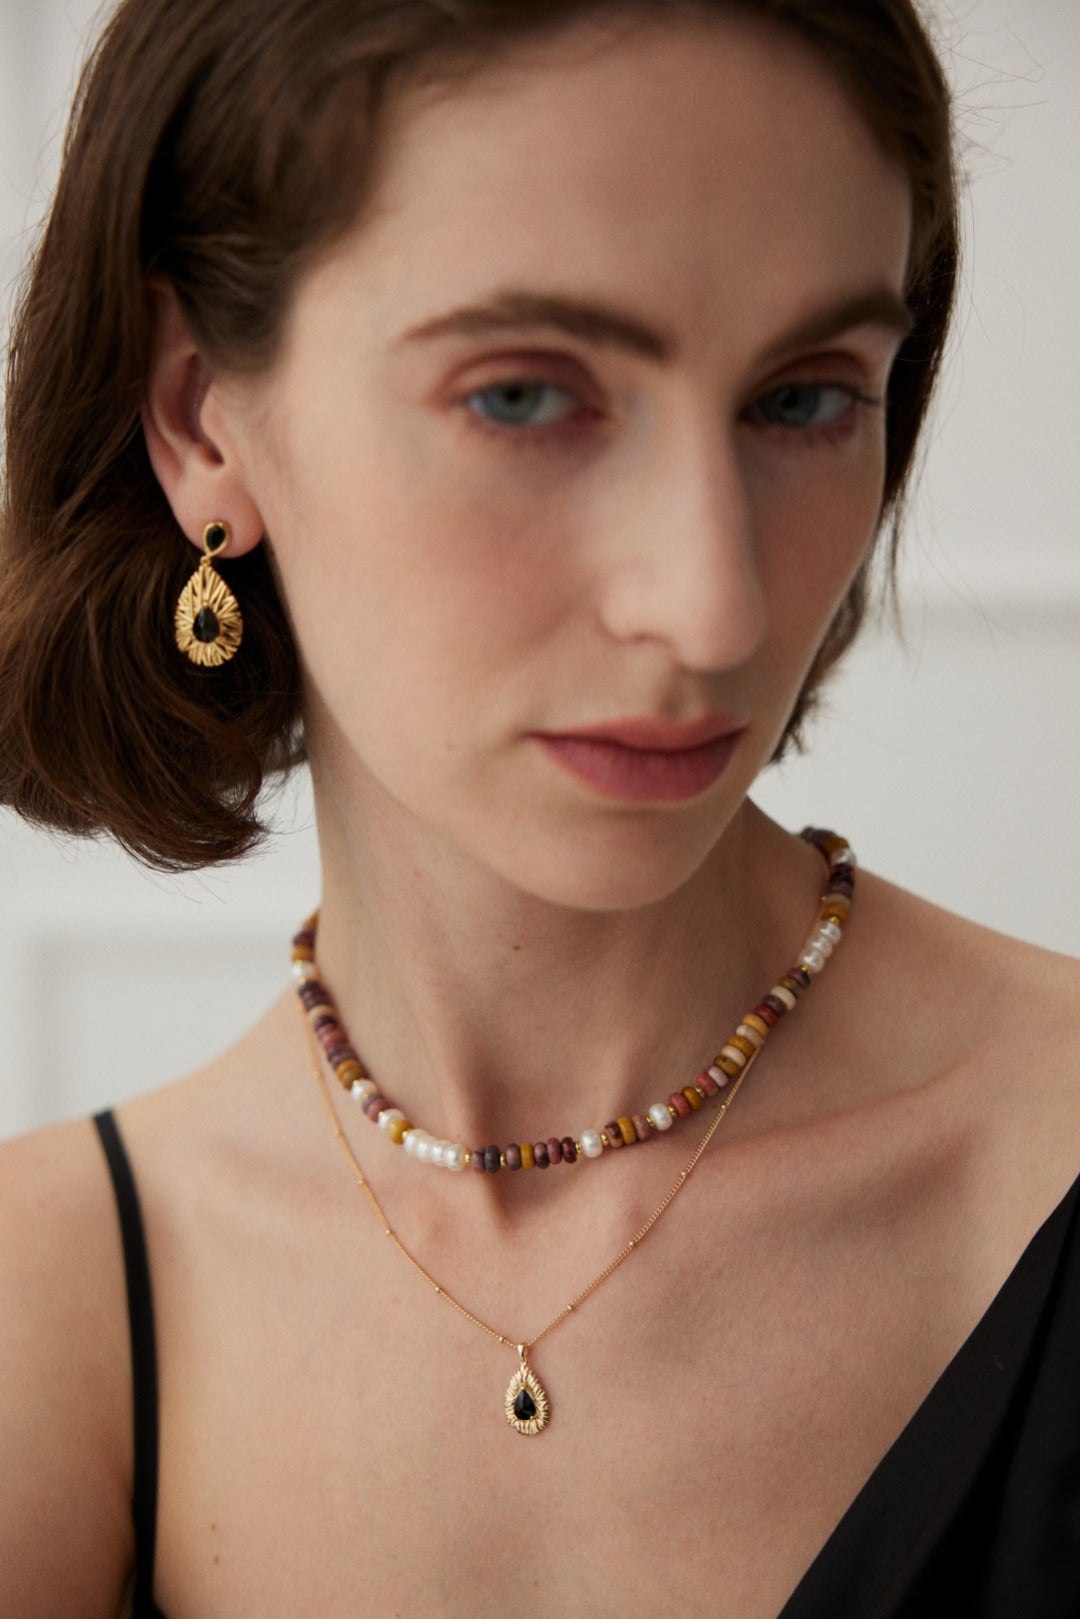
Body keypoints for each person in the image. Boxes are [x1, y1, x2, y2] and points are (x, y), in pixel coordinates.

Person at [1, 0, 1078, 1614]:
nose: (710, 611)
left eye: (803, 398)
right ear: (199, 414)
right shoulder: (49, 1303)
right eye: (523, 397)